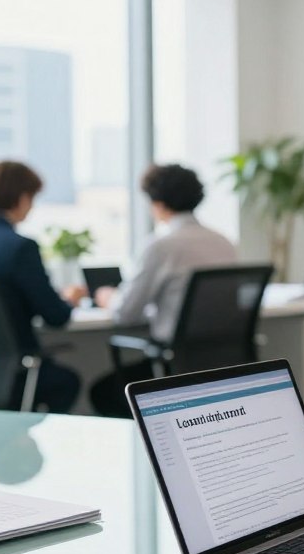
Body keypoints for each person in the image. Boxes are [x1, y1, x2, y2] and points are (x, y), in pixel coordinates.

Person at [89, 163, 236, 416]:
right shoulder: (223, 242)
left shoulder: (161, 246)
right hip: (219, 363)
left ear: (157, 203)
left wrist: (108, 297)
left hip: (172, 364)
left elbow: (125, 314)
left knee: (102, 392)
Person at [0, 160, 85, 413]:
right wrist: (70, 299)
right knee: (66, 382)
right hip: (15, 371)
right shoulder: (20, 247)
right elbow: (56, 316)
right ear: (22, 198)